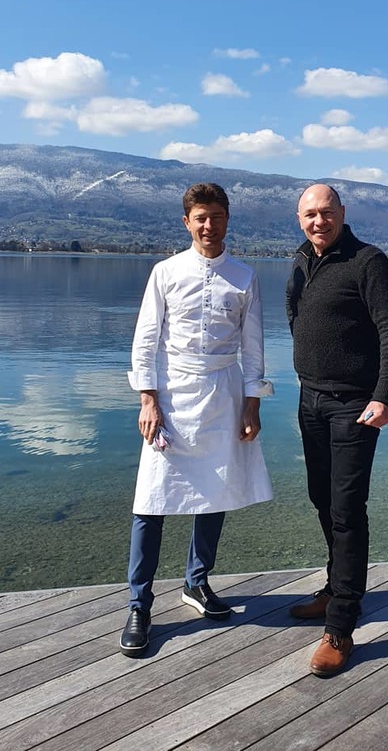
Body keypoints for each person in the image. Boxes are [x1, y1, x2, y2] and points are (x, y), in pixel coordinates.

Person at [120, 182, 273, 658]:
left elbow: (253, 348)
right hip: (171, 395)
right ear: (187, 223)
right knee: (151, 500)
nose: (209, 225)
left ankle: (196, 583)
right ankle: (139, 604)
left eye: (217, 216)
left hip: (223, 394)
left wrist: (253, 403)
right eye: (200, 217)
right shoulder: (165, 273)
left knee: (215, 490)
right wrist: (148, 399)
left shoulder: (244, 277)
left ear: (228, 220)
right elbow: (146, 339)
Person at [286, 183, 388, 677]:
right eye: (310, 214)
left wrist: (383, 396)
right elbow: (296, 315)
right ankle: (337, 588)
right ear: (300, 219)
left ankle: (340, 626)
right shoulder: (301, 259)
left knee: (346, 508)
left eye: (327, 212)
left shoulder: (369, 262)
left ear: (343, 213)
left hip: (355, 405)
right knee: (322, 498)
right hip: (309, 399)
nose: (319, 221)